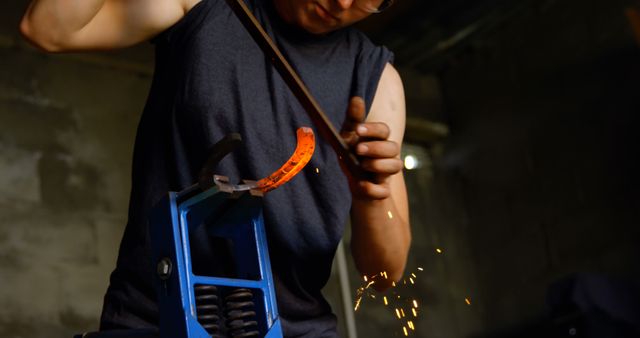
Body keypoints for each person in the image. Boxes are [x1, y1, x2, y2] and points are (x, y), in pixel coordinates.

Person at [20, 0, 411, 336]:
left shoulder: (377, 80)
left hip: (295, 329)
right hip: (155, 317)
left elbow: (385, 275)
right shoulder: (205, 5)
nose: (343, 3)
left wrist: (372, 199)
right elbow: (48, 29)